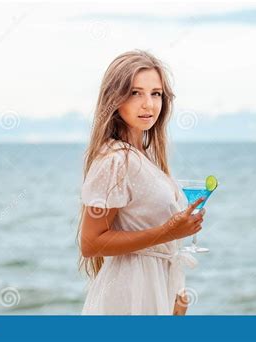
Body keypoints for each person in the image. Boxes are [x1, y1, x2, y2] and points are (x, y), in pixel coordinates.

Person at [78, 50, 206, 315]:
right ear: (114, 99)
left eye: (155, 93)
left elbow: (159, 243)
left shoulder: (144, 158)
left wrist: (176, 294)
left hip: (154, 291)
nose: (148, 104)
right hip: (128, 296)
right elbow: (90, 244)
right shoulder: (115, 159)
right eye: (135, 93)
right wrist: (169, 231)